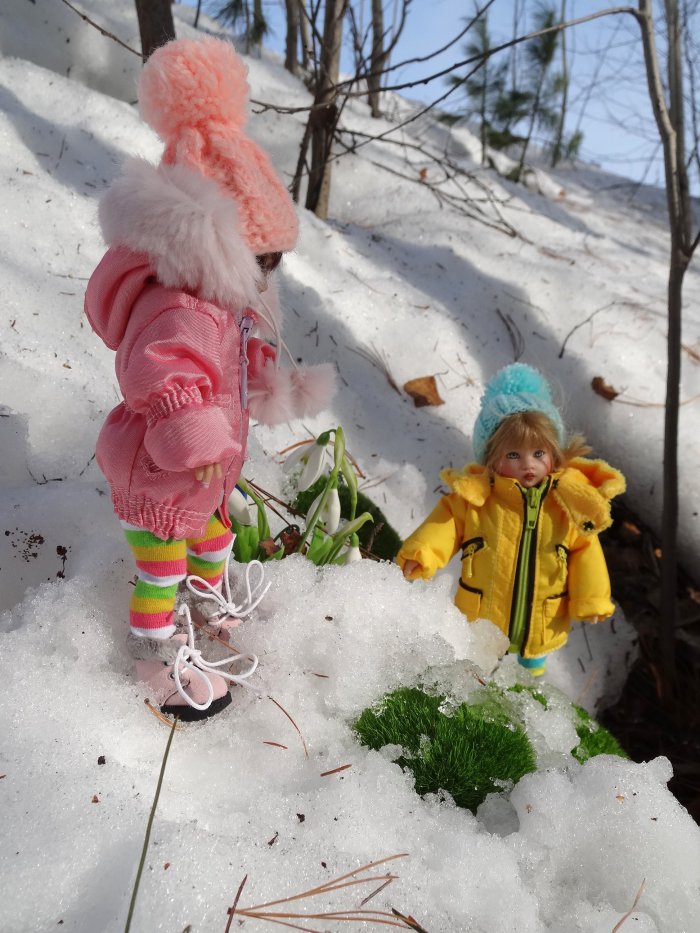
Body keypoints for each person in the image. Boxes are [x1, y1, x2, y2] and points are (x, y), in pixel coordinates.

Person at [85, 37, 334, 719]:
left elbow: (227, 359)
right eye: (258, 259)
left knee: (215, 538)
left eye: (272, 260)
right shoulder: (179, 307)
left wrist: (262, 373)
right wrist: (193, 436)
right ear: (210, 244)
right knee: (160, 567)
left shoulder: (222, 306)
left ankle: (205, 604)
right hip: (161, 469)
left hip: (203, 473)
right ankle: (155, 654)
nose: (265, 276)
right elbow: (158, 369)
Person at [396, 363, 625, 676]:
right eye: (514, 455)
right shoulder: (477, 499)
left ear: (554, 454)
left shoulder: (566, 505)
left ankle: (531, 683)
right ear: (492, 459)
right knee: (479, 662)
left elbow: (587, 550)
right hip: (484, 612)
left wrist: (592, 597)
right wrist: (421, 553)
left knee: (532, 668)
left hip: (543, 616)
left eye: (539, 454)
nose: (528, 465)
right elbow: (445, 524)